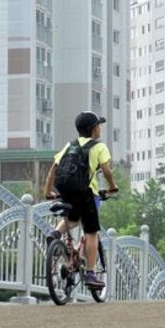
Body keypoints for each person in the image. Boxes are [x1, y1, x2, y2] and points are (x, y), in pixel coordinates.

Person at [43, 111, 119, 288]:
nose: (100, 128)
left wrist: (48, 192)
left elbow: (53, 170)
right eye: (98, 125)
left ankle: (54, 234)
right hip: (86, 192)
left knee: (73, 218)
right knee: (91, 232)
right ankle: (91, 274)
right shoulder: (99, 147)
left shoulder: (69, 146)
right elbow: (107, 171)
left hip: (66, 190)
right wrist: (113, 186)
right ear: (94, 129)